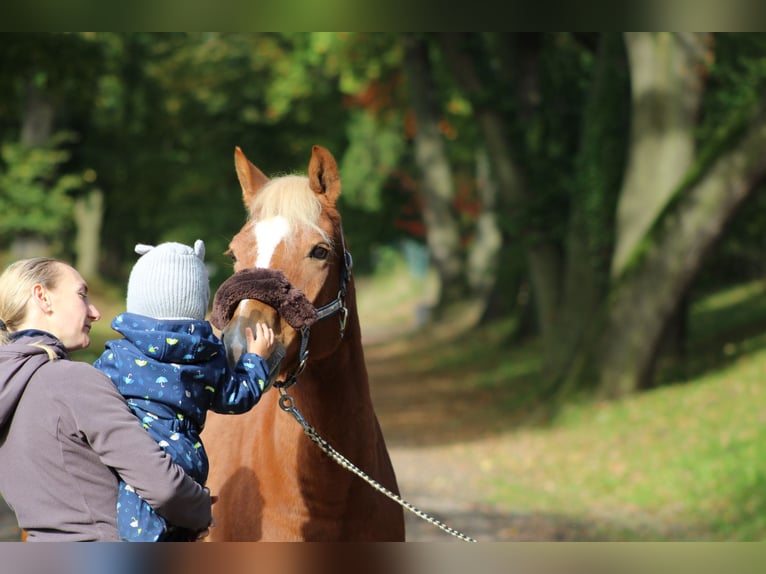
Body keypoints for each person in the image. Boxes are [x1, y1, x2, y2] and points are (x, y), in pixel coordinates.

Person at [0, 257, 212, 542]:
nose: (95, 312)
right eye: (81, 295)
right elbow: (164, 487)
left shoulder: (9, 386)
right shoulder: (71, 381)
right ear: (43, 297)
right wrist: (200, 508)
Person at [94, 240, 276, 542]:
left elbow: (88, 398)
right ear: (198, 300)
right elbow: (237, 398)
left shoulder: (117, 357)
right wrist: (256, 360)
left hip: (139, 461)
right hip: (188, 465)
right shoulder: (209, 356)